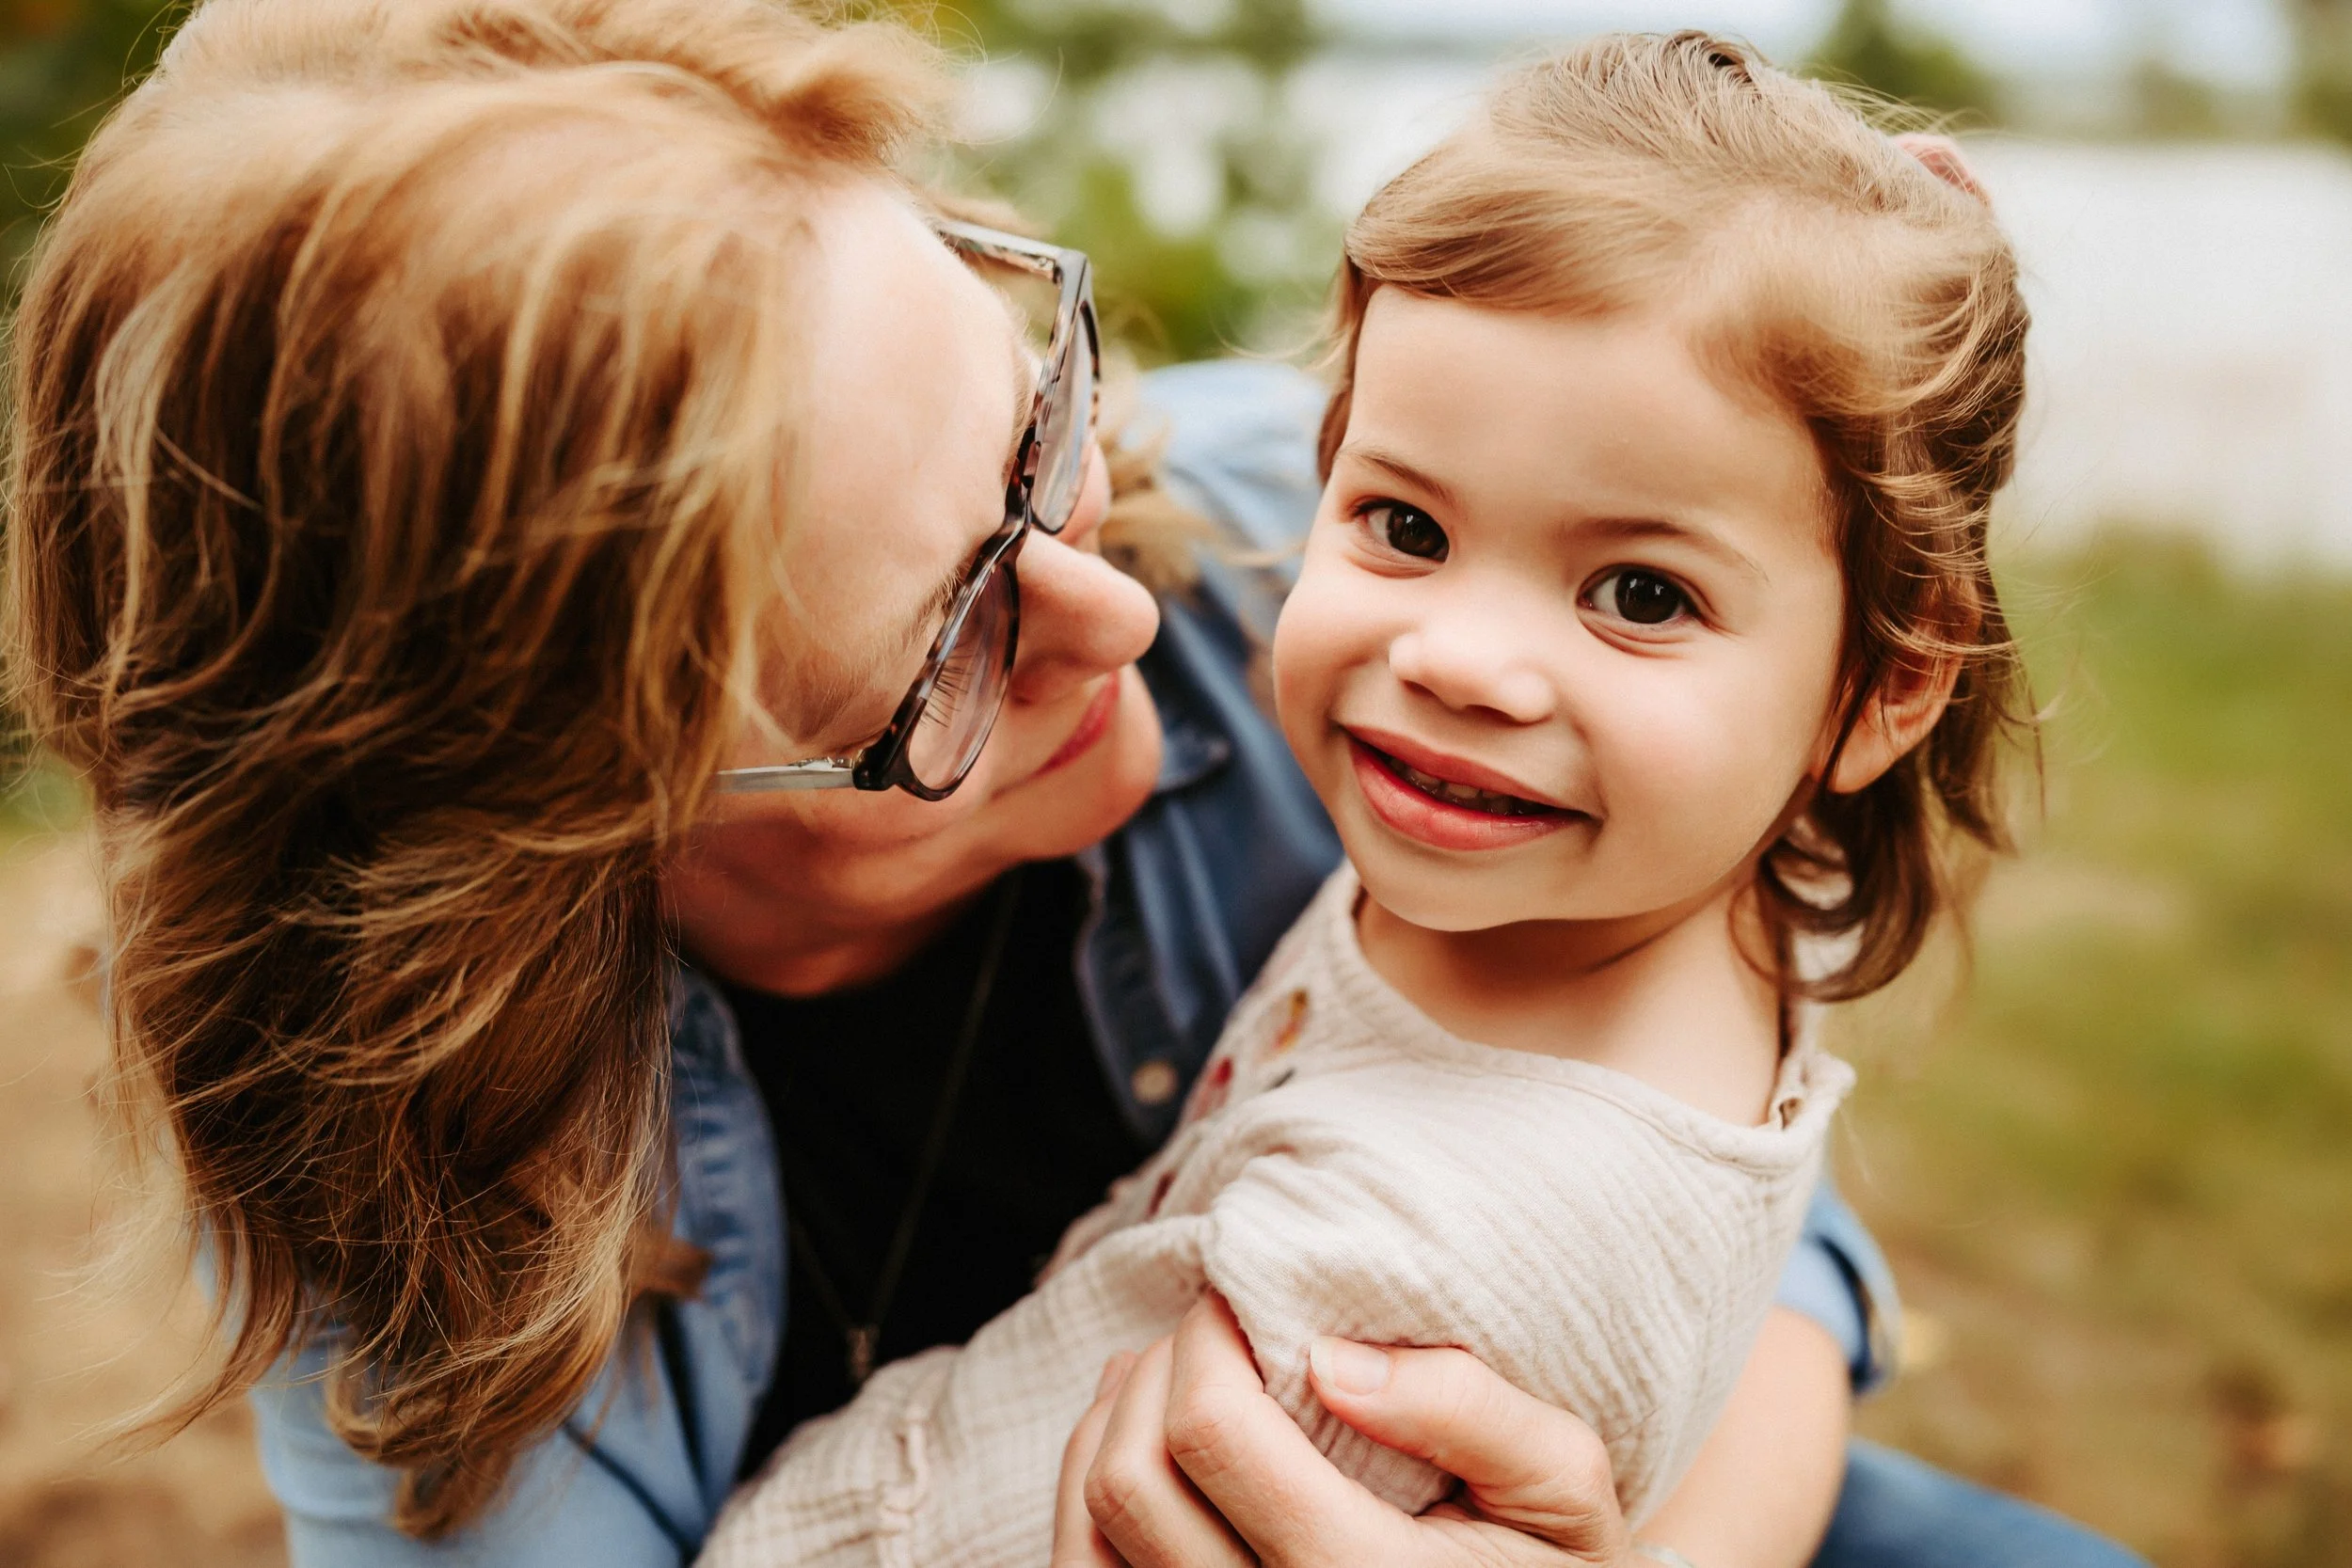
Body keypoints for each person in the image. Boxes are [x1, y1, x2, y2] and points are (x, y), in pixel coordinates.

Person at [0, 0, 2147, 1564]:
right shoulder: (410, 1149)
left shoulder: (1286, 534)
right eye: (944, 645)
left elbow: (1750, 1219)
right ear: (542, 817)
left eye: (1038, 429)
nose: (1113, 604)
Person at [696, 30, 2065, 1568]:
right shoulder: (1645, 868)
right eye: (1404, 522)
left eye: (1638, 591)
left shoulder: (1408, 1279)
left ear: (1886, 687)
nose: (1465, 659)